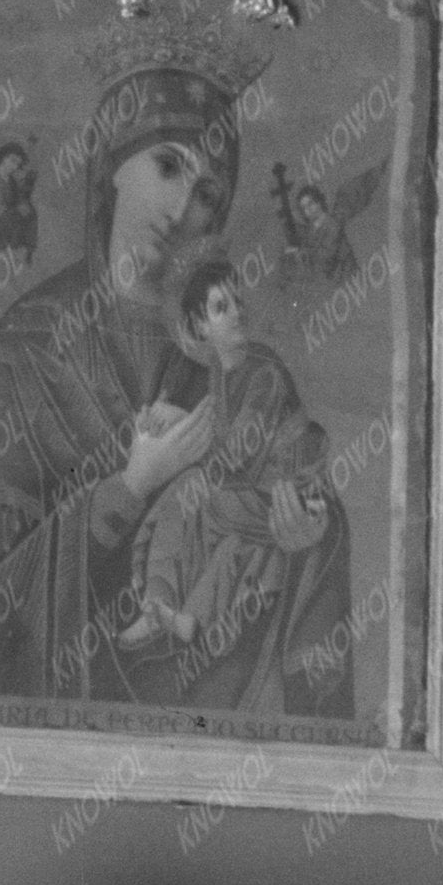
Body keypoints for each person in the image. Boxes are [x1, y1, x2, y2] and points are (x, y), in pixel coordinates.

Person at [0, 72, 356, 729]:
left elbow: (297, 491)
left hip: (212, 715)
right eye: (166, 165)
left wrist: (307, 534)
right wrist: (130, 487)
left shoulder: (233, 361)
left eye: (205, 192)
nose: (179, 207)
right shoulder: (25, 347)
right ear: (109, 166)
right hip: (67, 730)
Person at [116, 251, 334, 685]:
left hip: (284, 497)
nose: (237, 312)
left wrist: (182, 442)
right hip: (255, 493)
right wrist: (176, 421)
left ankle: (165, 606)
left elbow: (238, 453)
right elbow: (222, 428)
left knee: (193, 497)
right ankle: (168, 611)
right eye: (221, 307)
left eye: (237, 301)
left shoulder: (263, 370)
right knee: (195, 512)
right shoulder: (222, 368)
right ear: (199, 327)